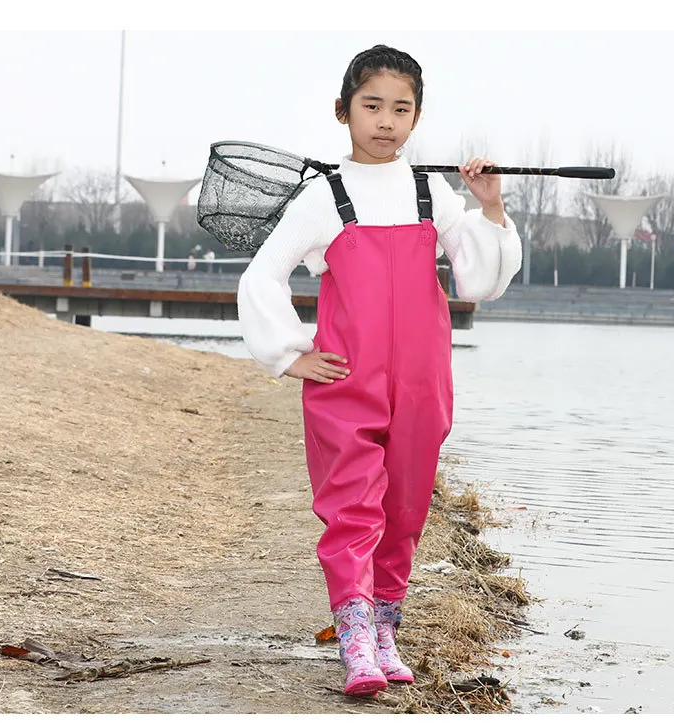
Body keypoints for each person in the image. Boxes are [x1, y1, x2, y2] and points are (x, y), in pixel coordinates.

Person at [237, 44, 522, 697]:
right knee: (351, 511)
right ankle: (355, 639)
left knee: (405, 509)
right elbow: (263, 276)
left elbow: (476, 278)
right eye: (372, 106)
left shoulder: (431, 192)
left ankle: (387, 627)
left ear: (417, 117)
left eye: (402, 108)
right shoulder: (323, 196)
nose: (386, 121)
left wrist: (492, 208)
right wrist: (291, 353)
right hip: (346, 384)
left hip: (423, 386)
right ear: (343, 111)